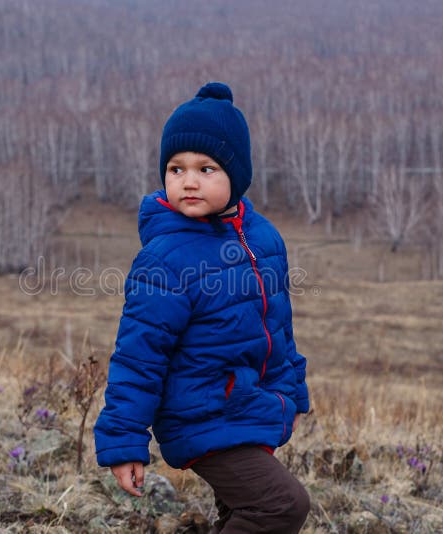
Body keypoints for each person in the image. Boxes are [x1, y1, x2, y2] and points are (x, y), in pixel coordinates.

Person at [93, 81, 311, 533]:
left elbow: (277, 328)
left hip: (248, 405)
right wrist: (125, 442)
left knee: (241, 514)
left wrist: (291, 394)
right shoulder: (165, 258)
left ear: (237, 174)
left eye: (206, 168)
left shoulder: (263, 238)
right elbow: (139, 356)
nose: (188, 180)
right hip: (201, 414)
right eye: (176, 168)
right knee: (281, 506)